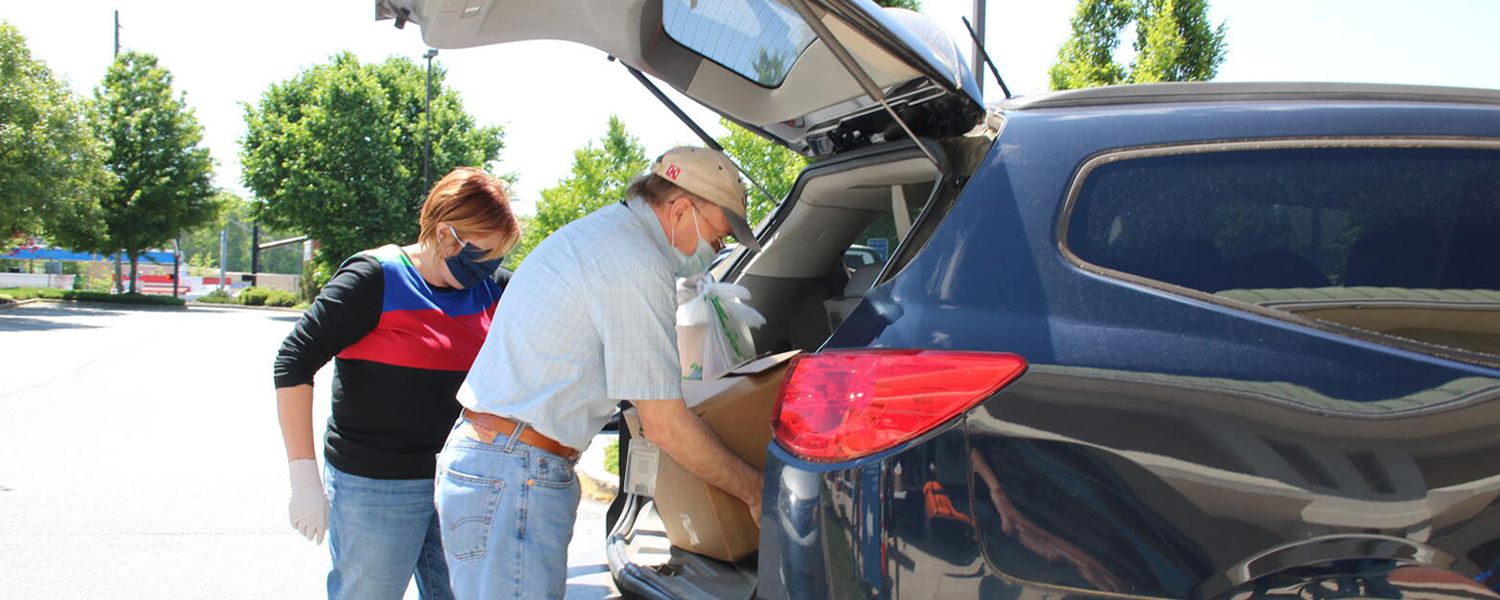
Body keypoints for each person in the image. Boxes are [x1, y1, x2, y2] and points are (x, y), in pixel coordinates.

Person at [436, 147, 765, 599]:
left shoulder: (607, 235)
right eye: (718, 237)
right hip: (513, 472)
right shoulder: (636, 261)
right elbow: (665, 424)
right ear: (680, 209)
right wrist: (756, 491)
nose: (716, 252)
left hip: (499, 461)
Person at [273, 167, 521, 600]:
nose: (490, 266)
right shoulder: (375, 278)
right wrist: (303, 476)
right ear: (445, 234)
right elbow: (293, 362)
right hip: (377, 485)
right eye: (482, 252)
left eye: (498, 255)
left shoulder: (494, 290)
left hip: (461, 482)